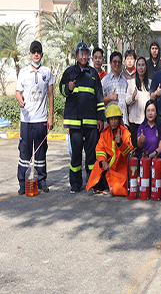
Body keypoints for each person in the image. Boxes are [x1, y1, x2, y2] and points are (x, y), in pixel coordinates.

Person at [60, 41, 105, 193]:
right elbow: (62, 89)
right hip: (75, 123)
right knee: (76, 155)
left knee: (91, 155)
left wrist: (100, 118)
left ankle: (92, 183)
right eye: (81, 53)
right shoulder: (69, 72)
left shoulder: (93, 74)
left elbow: (99, 98)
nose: (83, 56)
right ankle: (75, 184)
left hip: (91, 122)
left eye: (86, 53)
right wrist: (68, 88)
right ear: (75, 55)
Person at [16, 41, 55, 195]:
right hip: (26, 120)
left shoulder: (47, 72)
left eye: (38, 52)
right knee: (25, 152)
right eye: (34, 52)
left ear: (41, 54)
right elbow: (18, 92)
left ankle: (41, 181)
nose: (36, 54)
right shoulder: (24, 72)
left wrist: (51, 117)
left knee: (40, 153)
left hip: (41, 120)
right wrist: (19, 99)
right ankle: (22, 182)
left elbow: (51, 95)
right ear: (30, 54)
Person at [86, 104, 133, 196]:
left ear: (119, 120)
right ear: (108, 120)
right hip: (107, 166)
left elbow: (129, 153)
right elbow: (99, 148)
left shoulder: (125, 133)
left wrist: (120, 144)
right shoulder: (104, 133)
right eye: (111, 119)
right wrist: (103, 161)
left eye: (116, 119)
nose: (114, 122)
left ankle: (110, 185)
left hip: (120, 167)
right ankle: (104, 185)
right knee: (97, 166)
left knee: (120, 190)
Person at [126, 56, 151, 149]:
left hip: (147, 122)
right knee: (135, 149)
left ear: (146, 67)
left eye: (143, 65)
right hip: (134, 122)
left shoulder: (150, 83)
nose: (141, 67)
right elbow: (127, 100)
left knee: (146, 148)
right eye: (139, 65)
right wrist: (132, 97)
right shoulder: (132, 83)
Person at [102, 51, 129, 126]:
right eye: (114, 62)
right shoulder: (105, 80)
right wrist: (110, 97)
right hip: (110, 122)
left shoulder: (124, 81)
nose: (117, 64)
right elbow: (99, 100)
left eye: (119, 62)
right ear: (110, 63)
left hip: (123, 122)